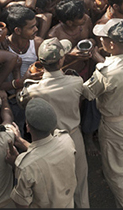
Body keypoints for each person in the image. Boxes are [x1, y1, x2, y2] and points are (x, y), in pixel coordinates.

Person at [82, 19, 123, 208]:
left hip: (115, 126)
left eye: (103, 38)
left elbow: (88, 93)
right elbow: (118, 70)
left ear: (111, 44)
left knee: (116, 174)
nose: (100, 41)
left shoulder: (106, 71)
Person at [23, 37, 91, 208]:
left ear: (40, 62)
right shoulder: (75, 82)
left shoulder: (33, 89)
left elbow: (22, 101)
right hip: (74, 136)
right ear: (62, 59)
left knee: (54, 188)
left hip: (48, 141)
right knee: (80, 182)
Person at [7, 98, 77, 208]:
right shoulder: (66, 140)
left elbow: (21, 205)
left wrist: (15, 163)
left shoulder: (25, 166)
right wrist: (21, 141)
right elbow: (46, 153)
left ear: (27, 127)